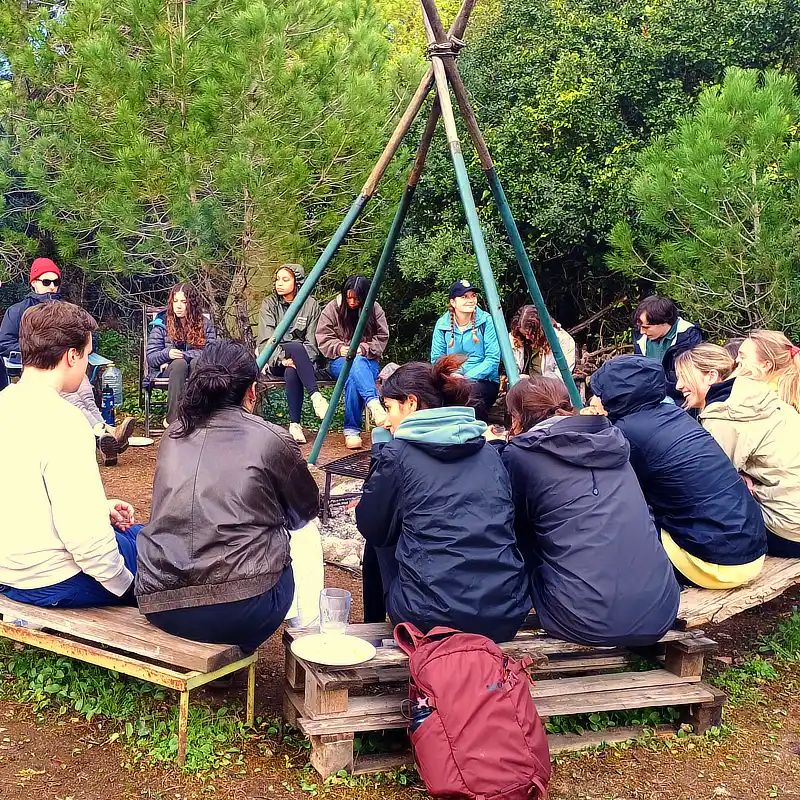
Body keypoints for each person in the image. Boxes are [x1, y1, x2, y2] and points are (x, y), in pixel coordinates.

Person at [135, 340, 320, 653]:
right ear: (251, 391)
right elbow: (306, 509)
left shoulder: (173, 434)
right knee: (306, 532)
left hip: (160, 604)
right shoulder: (272, 438)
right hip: (241, 611)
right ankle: (309, 639)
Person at [355, 355, 532, 643]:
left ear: (410, 403)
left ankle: (371, 632)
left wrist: (380, 458)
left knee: (378, 538)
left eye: (389, 408)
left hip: (431, 620)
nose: (386, 420)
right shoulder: (488, 451)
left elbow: (371, 525)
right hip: (505, 612)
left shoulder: (398, 454)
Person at [494, 376, 679, 646]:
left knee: (521, 538)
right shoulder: (612, 441)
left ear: (515, 417)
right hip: (660, 610)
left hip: (581, 620)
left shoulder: (520, 454)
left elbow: (513, 523)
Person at [0, 301, 141, 607]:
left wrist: (96, 507)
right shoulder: (64, 420)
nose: (87, 364)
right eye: (87, 355)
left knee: (134, 536)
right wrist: (128, 588)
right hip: (54, 581)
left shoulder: (5, 404)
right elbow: (87, 542)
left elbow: (21, 494)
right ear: (72, 355)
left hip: (8, 575)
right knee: (155, 544)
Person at [590, 356, 766, 589]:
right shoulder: (675, 415)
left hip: (718, 564)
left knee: (615, 522)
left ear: (614, 395)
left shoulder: (626, 435)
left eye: (599, 392)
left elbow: (612, 494)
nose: (595, 398)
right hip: (750, 547)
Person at [0, 258, 133, 462]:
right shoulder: (18, 311)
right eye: (46, 282)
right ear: (33, 282)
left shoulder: (66, 310)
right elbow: (4, 343)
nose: (52, 287)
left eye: (55, 282)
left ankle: (107, 434)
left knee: (86, 395)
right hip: (40, 368)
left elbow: (87, 337)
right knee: (72, 398)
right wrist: (37, 351)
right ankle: (104, 434)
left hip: (69, 363)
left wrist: (79, 352)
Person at [676, 344, 800, 558]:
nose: (678, 385)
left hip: (788, 531)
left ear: (711, 376)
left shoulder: (723, 416)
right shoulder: (756, 393)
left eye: (684, 376)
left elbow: (707, 486)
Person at [258, 264, 329, 444]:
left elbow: (313, 342)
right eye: (277, 279)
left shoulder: (311, 305)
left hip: (301, 363)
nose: (279, 284)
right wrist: (282, 359)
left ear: (297, 282)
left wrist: (297, 361)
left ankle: (294, 424)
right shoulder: (269, 304)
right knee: (295, 349)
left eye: (285, 279)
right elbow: (267, 341)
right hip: (275, 362)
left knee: (294, 366)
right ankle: (315, 396)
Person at [316, 275, 389, 449]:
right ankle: (374, 406)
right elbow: (323, 337)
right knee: (352, 368)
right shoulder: (332, 309)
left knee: (353, 377)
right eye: (348, 297)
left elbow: (382, 337)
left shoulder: (375, 309)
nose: (352, 301)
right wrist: (338, 348)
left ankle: (351, 430)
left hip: (367, 360)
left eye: (356, 298)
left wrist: (363, 348)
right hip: (339, 361)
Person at [430, 280, 500, 422]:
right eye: (464, 297)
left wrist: (466, 378)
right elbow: (437, 360)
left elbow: (492, 360)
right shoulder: (442, 325)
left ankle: (479, 436)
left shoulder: (486, 321)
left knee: (471, 396)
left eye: (473, 296)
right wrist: (452, 377)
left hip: (483, 381)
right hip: (452, 379)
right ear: (453, 302)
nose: (470, 300)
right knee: (431, 393)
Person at [147, 282, 216, 427]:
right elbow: (151, 357)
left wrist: (185, 355)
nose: (178, 306)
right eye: (175, 301)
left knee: (196, 362)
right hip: (169, 372)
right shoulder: (162, 323)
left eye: (183, 302)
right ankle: (173, 420)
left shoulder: (204, 324)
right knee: (179, 364)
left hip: (196, 370)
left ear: (192, 303)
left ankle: (198, 415)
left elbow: (210, 353)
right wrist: (167, 354)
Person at [632, 296, 703, 403]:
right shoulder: (641, 338)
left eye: (647, 327)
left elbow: (689, 380)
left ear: (664, 322)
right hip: (650, 395)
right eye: (640, 327)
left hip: (679, 398)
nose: (642, 332)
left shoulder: (688, 337)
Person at [736, 330, 800, 413]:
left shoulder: (763, 401)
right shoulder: (790, 392)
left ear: (766, 365)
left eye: (742, 357)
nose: (737, 360)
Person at [509, 305, 576, 383]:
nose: (527, 337)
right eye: (524, 334)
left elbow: (561, 378)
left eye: (530, 334)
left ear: (540, 330)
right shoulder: (516, 337)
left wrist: (531, 381)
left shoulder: (563, 341)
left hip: (551, 390)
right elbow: (513, 368)